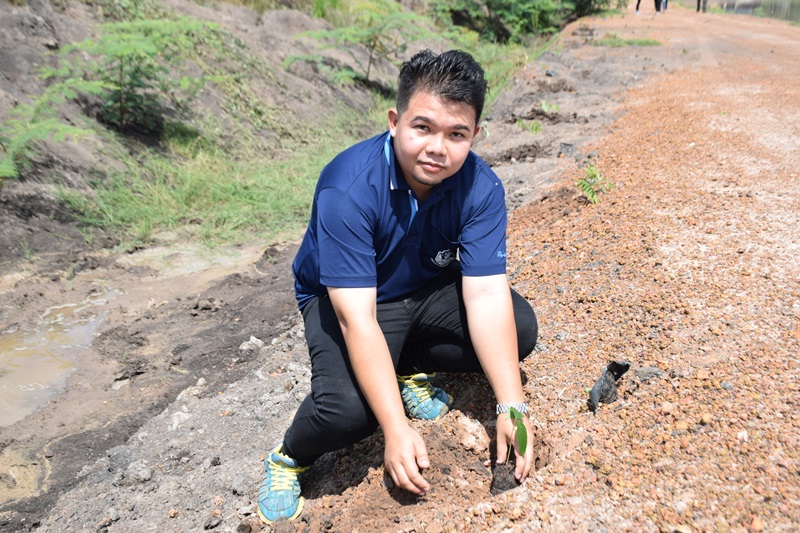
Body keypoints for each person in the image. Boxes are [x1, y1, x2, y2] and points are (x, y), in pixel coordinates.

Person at [256, 48, 539, 524]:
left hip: (423, 285)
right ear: (394, 121)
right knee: (349, 414)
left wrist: (511, 406)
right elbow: (356, 319)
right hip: (349, 300)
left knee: (521, 330)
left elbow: (487, 294)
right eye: (422, 127)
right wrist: (395, 427)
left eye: (456, 134)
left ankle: (405, 367)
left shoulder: (481, 187)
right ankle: (287, 458)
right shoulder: (347, 188)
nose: (437, 148)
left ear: (474, 135)